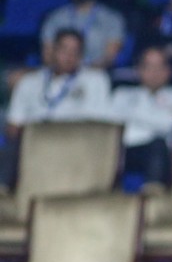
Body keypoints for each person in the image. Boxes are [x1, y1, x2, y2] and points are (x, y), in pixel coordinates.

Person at [1, 28, 113, 186]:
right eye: (64, 49)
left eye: (75, 51)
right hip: (33, 144)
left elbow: (98, 126)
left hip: (73, 145)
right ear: (52, 51)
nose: (69, 56)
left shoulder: (95, 80)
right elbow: (13, 126)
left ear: (81, 56)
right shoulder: (29, 82)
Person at [109, 46, 172, 189]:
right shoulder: (122, 95)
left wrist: (133, 116)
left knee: (158, 144)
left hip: (165, 154)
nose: (154, 73)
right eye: (148, 67)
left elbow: (169, 124)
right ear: (138, 70)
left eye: (160, 67)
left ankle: (152, 194)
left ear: (169, 71)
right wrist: (157, 116)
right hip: (127, 150)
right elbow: (115, 124)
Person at [38, 0, 127, 70]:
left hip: (95, 74)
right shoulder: (54, 18)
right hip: (59, 73)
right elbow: (47, 56)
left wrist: (82, 72)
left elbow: (109, 58)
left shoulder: (112, 18)